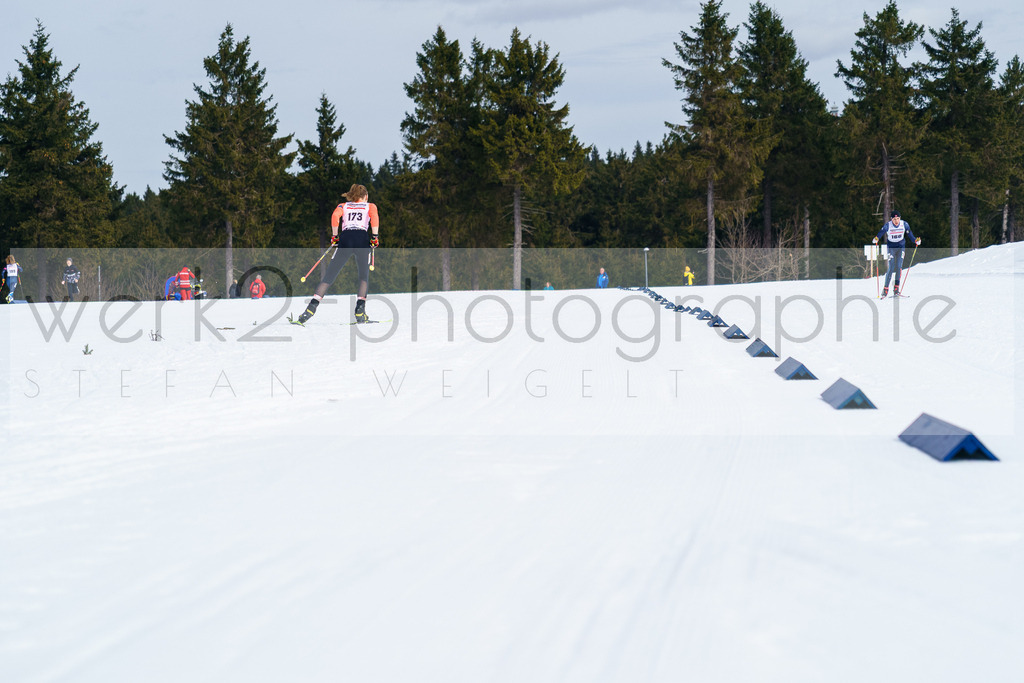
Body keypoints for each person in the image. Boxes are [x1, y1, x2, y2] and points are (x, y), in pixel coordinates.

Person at [294, 184, 380, 324]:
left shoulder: (343, 206)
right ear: (365, 196)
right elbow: (374, 218)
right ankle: (360, 312)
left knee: (329, 276)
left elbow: (335, 216)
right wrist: (375, 236)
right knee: (363, 276)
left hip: (346, 238)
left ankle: (310, 309)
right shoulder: (370, 206)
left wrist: (335, 236)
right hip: (361, 238)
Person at [872, 210, 921, 297]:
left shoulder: (904, 224)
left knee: (899, 267)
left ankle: (896, 289)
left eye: (898, 218)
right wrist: (877, 238)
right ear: (891, 219)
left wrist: (915, 241)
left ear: (900, 218)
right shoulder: (888, 225)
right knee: (891, 267)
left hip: (901, 247)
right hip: (891, 248)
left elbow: (910, 235)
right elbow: (881, 232)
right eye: (894, 219)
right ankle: (885, 289)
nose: (896, 221)